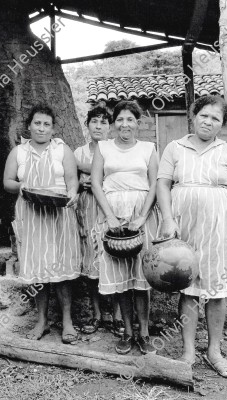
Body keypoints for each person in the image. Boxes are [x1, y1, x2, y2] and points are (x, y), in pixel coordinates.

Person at [157, 95, 227, 377]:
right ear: (193, 115)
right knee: (187, 285)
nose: (208, 122)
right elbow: (163, 184)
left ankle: (214, 351)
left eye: (216, 119)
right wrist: (167, 218)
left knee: (217, 289)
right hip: (183, 225)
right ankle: (188, 351)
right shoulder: (175, 148)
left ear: (222, 125)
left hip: (219, 226)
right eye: (204, 115)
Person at [3, 104, 81, 344]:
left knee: (62, 268)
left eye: (46, 124)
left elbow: (72, 181)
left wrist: (73, 195)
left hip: (59, 213)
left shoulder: (62, 149)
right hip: (31, 214)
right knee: (38, 268)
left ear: (53, 128)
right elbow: (7, 182)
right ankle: (42, 321)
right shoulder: (19, 152)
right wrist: (22, 187)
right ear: (29, 125)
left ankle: (67, 321)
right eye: (37, 123)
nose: (41, 128)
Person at [91, 100, 159, 355]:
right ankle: (127, 332)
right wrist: (109, 216)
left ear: (138, 123)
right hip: (113, 213)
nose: (125, 124)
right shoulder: (104, 147)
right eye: (120, 119)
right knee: (121, 276)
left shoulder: (148, 148)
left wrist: (142, 216)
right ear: (113, 123)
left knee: (141, 275)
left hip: (141, 213)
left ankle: (144, 333)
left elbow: (155, 183)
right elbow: (97, 183)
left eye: (130, 119)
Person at [73, 106, 118, 334]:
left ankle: (118, 316)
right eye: (94, 121)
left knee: (115, 258)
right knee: (92, 261)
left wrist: (99, 177)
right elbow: (70, 178)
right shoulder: (79, 153)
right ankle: (97, 314)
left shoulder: (115, 150)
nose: (98, 126)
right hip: (87, 209)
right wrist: (81, 183)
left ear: (110, 127)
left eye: (103, 122)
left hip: (110, 209)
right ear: (87, 125)